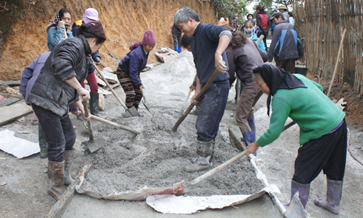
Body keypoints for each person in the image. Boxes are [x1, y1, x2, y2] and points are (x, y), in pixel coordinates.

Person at [248, 63, 346, 214]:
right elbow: (318, 89)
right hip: (338, 121)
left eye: (261, 85)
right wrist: (304, 106)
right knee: (335, 165)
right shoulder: (296, 77)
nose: (261, 89)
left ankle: (296, 209)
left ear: (269, 79)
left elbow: (274, 131)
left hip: (323, 130)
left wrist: (256, 144)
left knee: (303, 167)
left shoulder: (281, 97)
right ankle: (333, 203)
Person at [27, 21, 107, 200]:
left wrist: (83, 110)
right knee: (57, 142)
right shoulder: (73, 44)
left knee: (70, 137)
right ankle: (55, 186)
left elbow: (71, 88)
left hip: (58, 101)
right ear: (94, 40)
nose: (97, 50)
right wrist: (80, 88)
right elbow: (62, 67)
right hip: (45, 99)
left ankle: (64, 177)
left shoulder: (82, 51)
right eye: (99, 46)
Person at [174, 7, 231, 172]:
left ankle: (203, 161)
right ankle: (206, 157)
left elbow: (226, 34)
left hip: (217, 85)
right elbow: (199, 71)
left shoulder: (206, 30)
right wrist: (198, 93)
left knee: (204, 124)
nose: (181, 30)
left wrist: (218, 53)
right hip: (207, 86)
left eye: (181, 25)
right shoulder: (195, 40)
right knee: (208, 123)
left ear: (190, 20)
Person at [20, 52, 80, 159]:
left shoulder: (44, 55)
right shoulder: (67, 62)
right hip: (44, 93)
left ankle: (47, 148)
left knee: (44, 119)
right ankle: (49, 148)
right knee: (49, 121)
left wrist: (24, 92)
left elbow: (27, 72)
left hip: (34, 92)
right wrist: (74, 109)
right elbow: (67, 87)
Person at [226, 30, 266, 154]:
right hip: (264, 80)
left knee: (240, 117)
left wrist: (225, 89)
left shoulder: (229, 50)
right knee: (248, 110)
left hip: (252, 83)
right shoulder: (250, 41)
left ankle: (251, 147)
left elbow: (230, 74)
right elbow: (265, 57)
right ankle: (250, 138)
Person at [71, 8, 103, 118]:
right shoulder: (77, 28)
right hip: (79, 64)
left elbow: (95, 46)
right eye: (90, 20)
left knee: (94, 86)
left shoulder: (94, 30)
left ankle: (94, 111)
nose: (92, 23)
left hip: (89, 65)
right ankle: (82, 112)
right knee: (82, 89)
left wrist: (97, 56)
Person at [116, 29, 156, 112]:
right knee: (131, 93)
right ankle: (129, 111)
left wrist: (138, 83)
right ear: (144, 44)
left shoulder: (146, 51)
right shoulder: (136, 54)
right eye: (149, 46)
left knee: (139, 93)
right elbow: (132, 72)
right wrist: (139, 83)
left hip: (132, 72)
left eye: (153, 46)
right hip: (123, 72)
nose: (151, 48)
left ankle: (135, 109)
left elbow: (135, 70)